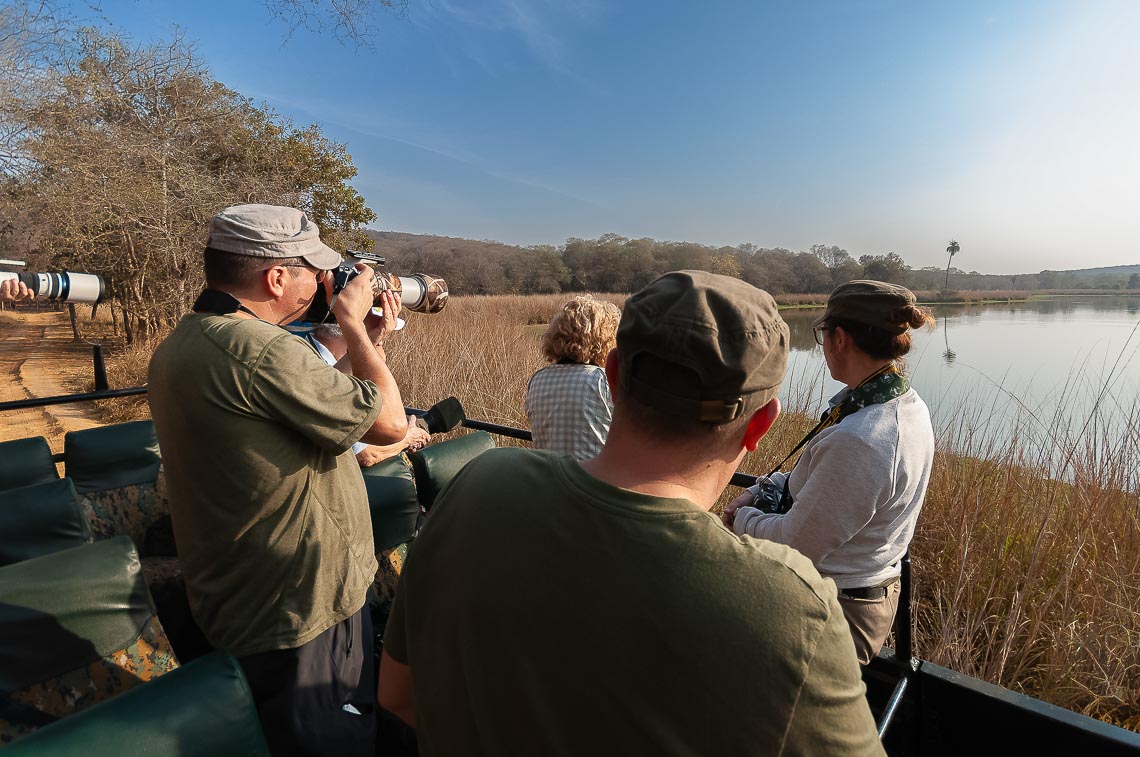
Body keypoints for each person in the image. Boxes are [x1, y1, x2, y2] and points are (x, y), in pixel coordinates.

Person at [378, 271, 884, 756]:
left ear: (615, 376)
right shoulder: (791, 605)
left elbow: (396, 692)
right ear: (760, 426)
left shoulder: (478, 485)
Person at [148, 204, 409, 757]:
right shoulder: (258, 349)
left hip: (245, 598)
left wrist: (371, 343)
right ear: (275, 277)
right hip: (301, 611)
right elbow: (388, 425)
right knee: (332, 743)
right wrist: (354, 328)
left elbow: (325, 404)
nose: (321, 282)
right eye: (312, 270)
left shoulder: (189, 341)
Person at [724, 280, 936, 665]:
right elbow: (820, 479)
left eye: (822, 336)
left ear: (839, 339)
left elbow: (793, 544)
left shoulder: (863, 439)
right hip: (846, 592)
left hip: (834, 609)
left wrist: (740, 518)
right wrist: (761, 489)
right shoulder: (893, 402)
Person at [308, 322, 431, 465]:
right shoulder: (318, 368)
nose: (382, 341)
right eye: (374, 333)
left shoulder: (303, 349)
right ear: (349, 332)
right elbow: (366, 454)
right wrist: (408, 438)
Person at [524, 294, 620, 461]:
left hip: (549, 479)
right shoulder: (602, 380)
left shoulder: (538, 379)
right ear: (604, 340)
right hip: (593, 482)